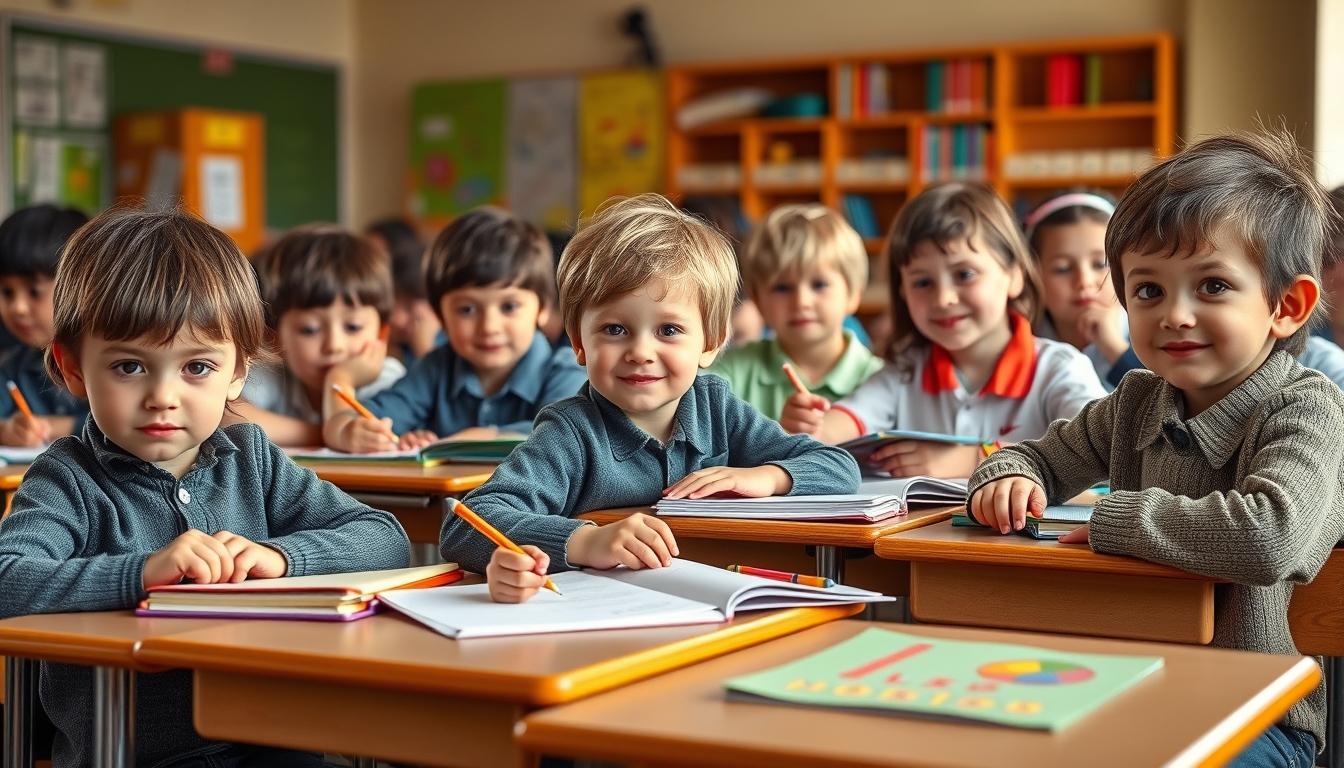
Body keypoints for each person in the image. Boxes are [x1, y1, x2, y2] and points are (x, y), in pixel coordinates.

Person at [968, 130, 1344, 768]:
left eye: (1213, 287)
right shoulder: (1138, 400)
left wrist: (1114, 517)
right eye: (1148, 291)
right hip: (1123, 688)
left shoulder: (1305, 407)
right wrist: (1004, 479)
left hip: (1255, 714)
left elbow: (1269, 536)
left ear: (1286, 304)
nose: (1174, 314)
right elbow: (1034, 457)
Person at [0, 206, 410, 767]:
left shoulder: (251, 458)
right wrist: (141, 573)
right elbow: (8, 579)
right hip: (139, 751)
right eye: (127, 367)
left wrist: (278, 557)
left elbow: (383, 536)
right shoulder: (67, 478)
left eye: (196, 368)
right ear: (72, 368)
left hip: (268, 736)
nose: (163, 396)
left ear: (238, 370)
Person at [440, 194, 861, 603]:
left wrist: (764, 478)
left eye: (669, 331)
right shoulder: (572, 431)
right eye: (615, 329)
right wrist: (585, 541)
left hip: (711, 616)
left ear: (710, 343)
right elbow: (465, 526)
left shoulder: (716, 407)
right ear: (579, 344)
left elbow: (839, 468)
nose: (641, 352)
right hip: (602, 625)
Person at [781, 183, 1105, 478]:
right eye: (922, 282)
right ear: (903, 293)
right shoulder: (904, 371)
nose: (944, 299)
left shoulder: (1060, 368)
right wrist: (814, 427)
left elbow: (1097, 456)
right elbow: (851, 419)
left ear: (1014, 275)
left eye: (964, 274)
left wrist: (976, 459)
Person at [323, 207, 586, 452]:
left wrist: (485, 436)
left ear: (542, 308)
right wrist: (350, 432)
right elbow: (356, 419)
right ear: (441, 316)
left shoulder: (564, 369)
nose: (489, 327)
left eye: (509, 307)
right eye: (466, 310)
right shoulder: (435, 369)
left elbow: (562, 436)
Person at [710, 204, 883, 421]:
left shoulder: (880, 380)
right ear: (758, 300)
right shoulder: (726, 375)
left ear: (853, 294)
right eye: (782, 288)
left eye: (819, 285)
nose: (801, 302)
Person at [236, 224, 405, 445]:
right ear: (274, 337)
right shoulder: (275, 377)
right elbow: (228, 418)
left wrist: (340, 379)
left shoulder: (388, 379)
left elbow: (391, 438)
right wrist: (327, 434)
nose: (334, 345)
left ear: (381, 334)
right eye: (310, 329)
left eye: (353, 327)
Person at [0, 204, 90, 445]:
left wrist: (66, 427)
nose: (17, 307)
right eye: (7, 292)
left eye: (34, 291)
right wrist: (7, 430)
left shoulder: (110, 360)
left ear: (82, 287)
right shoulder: (12, 366)